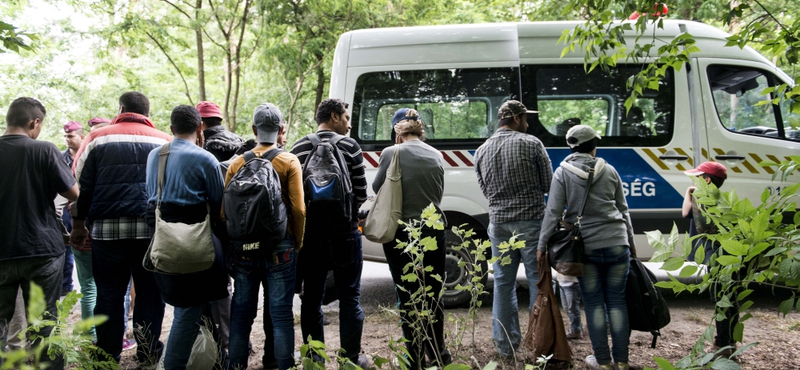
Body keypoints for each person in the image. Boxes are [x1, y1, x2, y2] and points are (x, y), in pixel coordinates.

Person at [69, 91, 171, 365]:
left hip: (106, 232)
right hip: (151, 233)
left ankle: (107, 355)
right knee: (150, 294)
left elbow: (80, 186)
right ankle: (148, 353)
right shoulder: (164, 141)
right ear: (147, 113)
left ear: (121, 108)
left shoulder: (96, 138)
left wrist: (79, 224)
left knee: (110, 293)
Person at [538, 125, 635, 370]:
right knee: (617, 302)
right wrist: (630, 243)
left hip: (586, 248)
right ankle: (622, 361)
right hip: (617, 243)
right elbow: (623, 211)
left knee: (593, 303)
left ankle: (602, 362)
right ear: (593, 145)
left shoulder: (562, 173)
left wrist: (541, 245)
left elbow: (553, 212)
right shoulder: (610, 170)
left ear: (571, 146)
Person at [144, 105, 228, 370]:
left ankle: (211, 361)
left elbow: (151, 199)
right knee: (189, 310)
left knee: (187, 307)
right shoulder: (206, 159)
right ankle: (174, 365)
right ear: (200, 128)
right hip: (195, 245)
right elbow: (219, 205)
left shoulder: (154, 156)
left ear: (171, 129)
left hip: (163, 241)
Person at [0, 97, 79, 370]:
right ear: (34, 122)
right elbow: (73, 193)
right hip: (42, 249)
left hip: (2, 251)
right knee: (44, 322)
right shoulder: (44, 151)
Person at [225, 103, 305, 370]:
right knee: (281, 314)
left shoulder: (237, 162)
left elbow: (225, 212)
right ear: (282, 129)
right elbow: (298, 209)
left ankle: (235, 366)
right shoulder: (288, 160)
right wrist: (297, 240)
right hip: (279, 246)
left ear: (253, 130)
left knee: (241, 314)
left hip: (244, 248)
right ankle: (284, 366)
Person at [290, 98, 369, 367]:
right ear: (334, 117)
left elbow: (294, 196)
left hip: (311, 236)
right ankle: (351, 359)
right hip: (345, 232)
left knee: (311, 299)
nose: (348, 124)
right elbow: (360, 192)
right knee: (349, 297)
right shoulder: (350, 146)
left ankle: (315, 359)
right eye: (346, 118)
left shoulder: (299, 146)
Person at [473, 100, 553, 359]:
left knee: (503, 285)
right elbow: (548, 184)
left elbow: (485, 190)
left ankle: (506, 347)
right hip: (531, 223)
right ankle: (538, 346)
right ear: (517, 118)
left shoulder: (482, 150)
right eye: (526, 118)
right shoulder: (532, 144)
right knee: (536, 283)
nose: (528, 123)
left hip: (499, 225)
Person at [372, 108, 451, 369]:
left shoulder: (391, 153)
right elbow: (438, 191)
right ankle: (439, 355)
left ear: (397, 133)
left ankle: (414, 358)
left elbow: (378, 187)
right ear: (421, 130)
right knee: (433, 293)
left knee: (407, 294)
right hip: (434, 229)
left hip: (401, 233)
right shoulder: (437, 154)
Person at [196, 100, 241, 349]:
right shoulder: (238, 142)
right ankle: (233, 339)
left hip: (208, 225)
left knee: (206, 283)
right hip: (234, 224)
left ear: (200, 123)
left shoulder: (202, 147)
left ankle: (210, 341)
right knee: (228, 283)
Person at [681, 162, 735, 358]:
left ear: (707, 180)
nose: (694, 180)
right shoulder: (724, 199)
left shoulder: (700, 198)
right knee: (731, 298)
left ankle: (721, 344)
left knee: (720, 299)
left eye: (698, 177)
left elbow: (685, 213)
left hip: (715, 255)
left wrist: (689, 192)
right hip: (730, 254)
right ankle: (730, 341)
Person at [553, 270, 584, 339]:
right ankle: (578, 326)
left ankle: (576, 330)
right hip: (562, 283)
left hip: (572, 283)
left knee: (572, 309)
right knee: (567, 307)